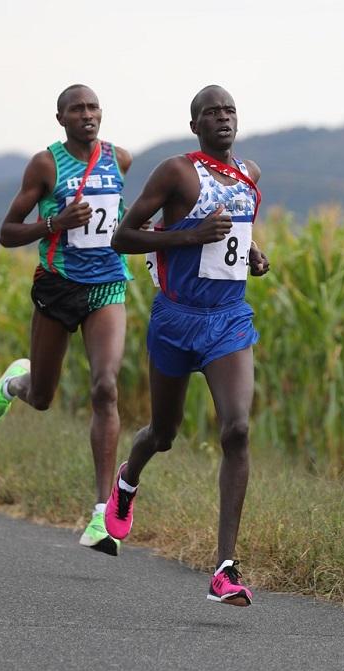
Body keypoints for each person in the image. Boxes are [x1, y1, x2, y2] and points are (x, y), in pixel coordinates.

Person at [104, 84, 269, 605]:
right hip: (176, 320)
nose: (223, 118)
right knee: (165, 432)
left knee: (237, 429)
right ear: (195, 124)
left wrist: (254, 256)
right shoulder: (177, 171)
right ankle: (128, 480)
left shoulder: (250, 174)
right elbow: (123, 238)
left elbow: (238, 234)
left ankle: (224, 567)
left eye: (229, 111)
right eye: (211, 113)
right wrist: (187, 237)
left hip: (228, 320)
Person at [0, 84, 133, 557]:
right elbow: (7, 233)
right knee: (42, 397)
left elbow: (125, 219)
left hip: (107, 284)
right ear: (61, 118)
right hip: (57, 285)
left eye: (92, 108)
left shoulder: (120, 159)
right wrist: (55, 224)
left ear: (101, 114)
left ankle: (101, 515)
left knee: (105, 386)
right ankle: (15, 383)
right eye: (76, 109)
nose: (86, 115)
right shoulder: (45, 165)